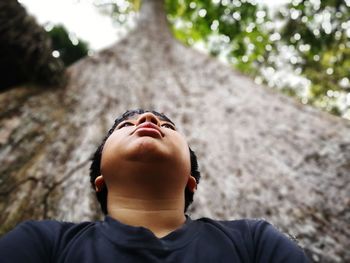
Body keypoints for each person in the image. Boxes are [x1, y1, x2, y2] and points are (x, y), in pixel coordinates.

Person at [0, 109, 309, 262]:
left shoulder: (253, 241)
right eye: (125, 126)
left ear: (190, 180)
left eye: (168, 127)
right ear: (100, 181)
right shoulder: (45, 242)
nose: (148, 118)